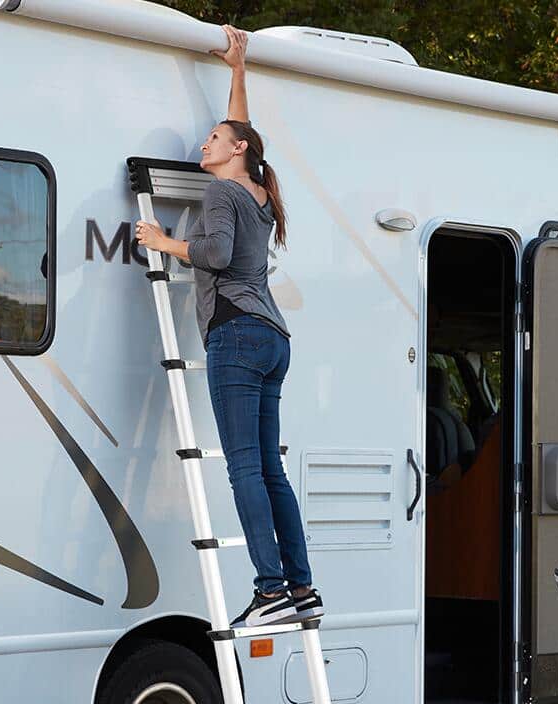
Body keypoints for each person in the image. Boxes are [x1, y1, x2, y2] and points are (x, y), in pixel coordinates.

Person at [135, 25, 321, 628]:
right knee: (271, 468)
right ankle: (302, 586)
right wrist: (238, 70)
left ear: (235, 150)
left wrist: (164, 241)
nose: (203, 142)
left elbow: (213, 254)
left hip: (237, 335)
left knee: (244, 466)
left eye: (213, 138)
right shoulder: (261, 190)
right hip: (272, 336)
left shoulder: (219, 194)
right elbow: (243, 130)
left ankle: (270, 590)